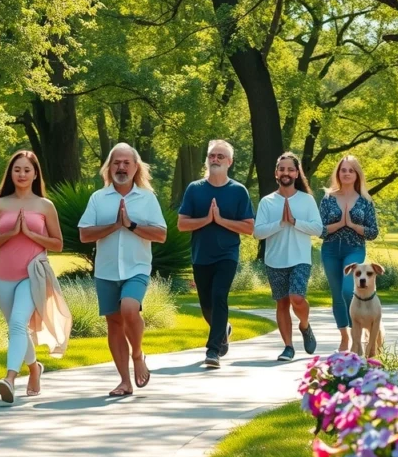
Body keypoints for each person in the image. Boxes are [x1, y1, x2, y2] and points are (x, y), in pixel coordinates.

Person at [0, 150, 71, 404]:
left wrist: (31, 234)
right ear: (11, 173)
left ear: (35, 174)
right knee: (16, 328)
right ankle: (34, 368)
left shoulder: (45, 205)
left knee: (19, 324)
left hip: (33, 273)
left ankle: (9, 379)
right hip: (3, 275)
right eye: (17, 169)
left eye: (27, 170)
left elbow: (57, 244)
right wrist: (11, 234)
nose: (21, 174)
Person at [78, 143, 167, 397]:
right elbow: (84, 233)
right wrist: (115, 225)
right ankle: (124, 382)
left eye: (126, 163)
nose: (121, 167)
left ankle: (137, 354)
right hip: (106, 271)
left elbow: (161, 234)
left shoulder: (147, 198)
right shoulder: (99, 197)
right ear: (109, 166)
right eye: (117, 162)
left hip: (137, 267)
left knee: (129, 308)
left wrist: (131, 225)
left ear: (135, 167)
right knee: (114, 324)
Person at [177, 140, 255, 369]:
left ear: (229, 162)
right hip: (201, 255)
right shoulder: (195, 189)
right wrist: (207, 220)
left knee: (220, 296)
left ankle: (213, 351)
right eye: (212, 155)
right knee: (206, 306)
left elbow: (249, 227)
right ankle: (224, 329)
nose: (215, 159)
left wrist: (221, 221)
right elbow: (182, 224)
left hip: (227, 255)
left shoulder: (238, 191)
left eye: (221, 156)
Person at [253, 152, 322, 362]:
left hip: (300, 258)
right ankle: (288, 347)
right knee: (282, 303)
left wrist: (294, 221)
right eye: (282, 169)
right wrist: (281, 224)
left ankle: (304, 325)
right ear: (276, 173)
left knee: (297, 298)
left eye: (290, 169)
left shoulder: (306, 200)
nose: (286, 172)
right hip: (275, 260)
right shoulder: (267, 202)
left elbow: (319, 229)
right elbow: (258, 232)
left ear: (296, 173)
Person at [319, 155, 380, 351]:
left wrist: (353, 225)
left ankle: (358, 339)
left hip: (354, 249)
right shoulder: (328, 198)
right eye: (343, 170)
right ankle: (345, 337)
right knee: (337, 295)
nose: (346, 173)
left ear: (356, 174)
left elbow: (373, 232)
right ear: (338, 173)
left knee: (348, 290)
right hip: (330, 250)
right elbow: (319, 229)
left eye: (350, 170)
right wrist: (339, 224)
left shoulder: (365, 201)